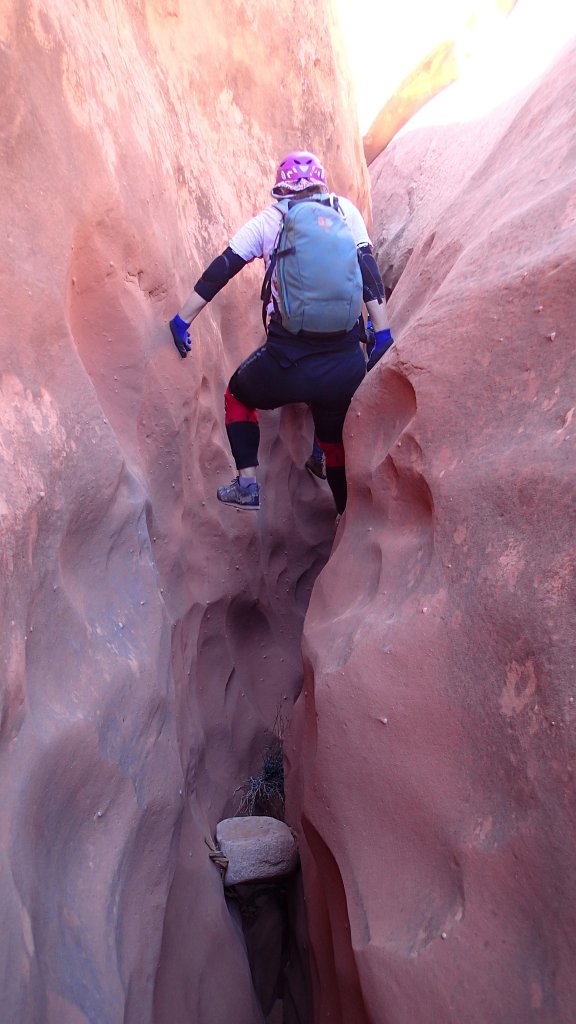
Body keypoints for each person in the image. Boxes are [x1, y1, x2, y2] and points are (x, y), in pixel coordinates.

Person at [169, 150, 394, 514]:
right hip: (346, 360)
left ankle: (246, 485)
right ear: (321, 179)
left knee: (238, 395)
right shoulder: (344, 211)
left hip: (287, 360)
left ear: (281, 185)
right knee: (334, 434)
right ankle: (344, 517)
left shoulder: (269, 221)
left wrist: (183, 320)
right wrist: (382, 332)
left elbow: (222, 269)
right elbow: (367, 267)